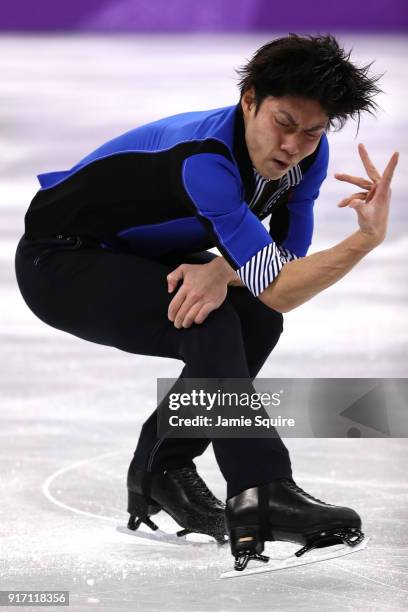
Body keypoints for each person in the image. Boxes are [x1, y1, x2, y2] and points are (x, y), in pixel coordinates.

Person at [15, 34, 398, 568]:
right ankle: (261, 490)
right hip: (59, 261)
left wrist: (222, 267)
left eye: (312, 133)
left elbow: (284, 262)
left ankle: (163, 470)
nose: (293, 146)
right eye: (283, 123)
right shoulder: (207, 162)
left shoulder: (307, 156)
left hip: (138, 253)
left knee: (258, 320)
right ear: (249, 100)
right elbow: (283, 282)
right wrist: (363, 240)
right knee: (212, 320)